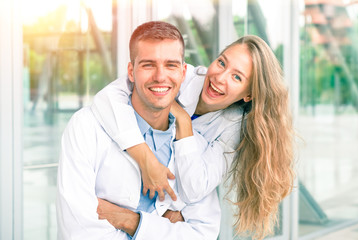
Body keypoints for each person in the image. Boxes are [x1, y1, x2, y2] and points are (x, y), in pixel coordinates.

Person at [92, 35, 295, 239]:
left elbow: (195, 188)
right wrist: (146, 160)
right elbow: (106, 99)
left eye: (237, 77)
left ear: (248, 95)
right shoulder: (181, 74)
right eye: (222, 62)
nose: (219, 78)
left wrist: (183, 122)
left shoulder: (234, 128)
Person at [56, 21, 221, 240]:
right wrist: (164, 227)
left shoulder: (194, 145)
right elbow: (78, 229)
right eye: (148, 65)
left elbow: (203, 233)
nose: (160, 76)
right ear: (131, 72)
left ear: (183, 73)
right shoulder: (85, 127)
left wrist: (128, 220)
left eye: (171, 65)